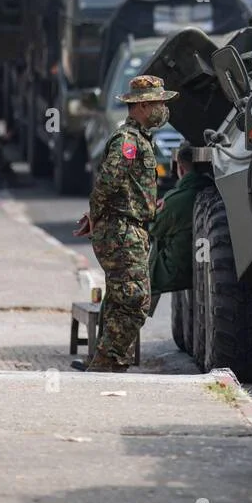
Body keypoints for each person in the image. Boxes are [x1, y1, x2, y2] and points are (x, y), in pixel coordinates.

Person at [71, 75, 178, 372]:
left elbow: (124, 186)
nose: (162, 109)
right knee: (135, 299)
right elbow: (107, 182)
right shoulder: (128, 142)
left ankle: (107, 361)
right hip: (121, 230)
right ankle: (107, 362)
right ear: (142, 106)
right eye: (158, 103)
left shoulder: (139, 139)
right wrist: (95, 216)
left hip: (129, 228)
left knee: (121, 298)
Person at [145, 143, 213, 317]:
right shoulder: (212, 191)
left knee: (133, 280)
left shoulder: (176, 200)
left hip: (178, 270)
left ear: (180, 168)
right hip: (206, 266)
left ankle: (131, 319)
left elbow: (155, 229)